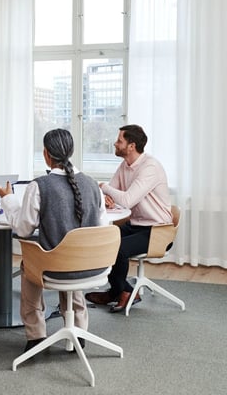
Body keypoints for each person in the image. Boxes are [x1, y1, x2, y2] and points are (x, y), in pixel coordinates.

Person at [0, 128, 105, 352]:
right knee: (72, 258)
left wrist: (8, 200)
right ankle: (79, 330)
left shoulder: (40, 186)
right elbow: (101, 230)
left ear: (46, 154)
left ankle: (36, 336)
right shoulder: (94, 185)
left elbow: (24, 229)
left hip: (54, 270)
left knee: (31, 265)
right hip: (92, 268)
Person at [84, 124, 173, 313]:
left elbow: (127, 199)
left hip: (158, 230)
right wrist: (107, 196)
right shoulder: (125, 165)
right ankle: (117, 290)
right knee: (104, 240)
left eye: (119, 141)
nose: (115, 144)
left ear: (131, 146)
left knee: (119, 249)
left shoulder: (150, 167)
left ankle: (125, 291)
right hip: (136, 224)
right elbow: (113, 194)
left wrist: (104, 188)